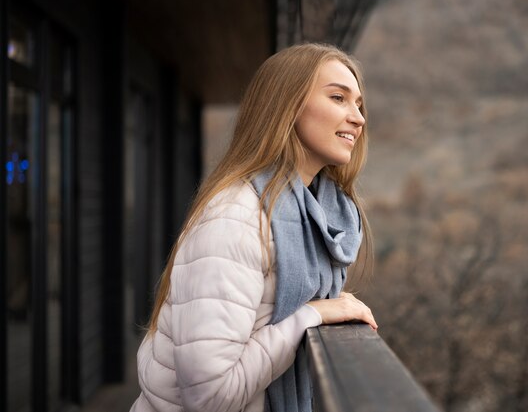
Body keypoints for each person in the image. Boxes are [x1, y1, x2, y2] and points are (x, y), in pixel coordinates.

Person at [130, 42, 377, 412]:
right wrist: (312, 314)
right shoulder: (237, 216)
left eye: (358, 104)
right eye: (338, 98)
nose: (358, 118)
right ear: (287, 105)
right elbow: (208, 396)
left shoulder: (314, 216)